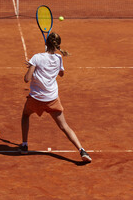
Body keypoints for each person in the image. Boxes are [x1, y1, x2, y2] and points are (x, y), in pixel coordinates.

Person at [20, 32, 92, 163]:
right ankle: (82, 150)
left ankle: (24, 145)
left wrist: (32, 67)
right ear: (57, 45)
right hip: (52, 99)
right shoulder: (59, 58)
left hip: (36, 99)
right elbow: (62, 74)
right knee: (64, 126)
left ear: (46, 43)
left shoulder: (36, 58)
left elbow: (26, 79)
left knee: (25, 116)